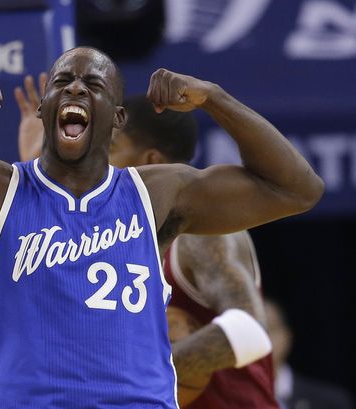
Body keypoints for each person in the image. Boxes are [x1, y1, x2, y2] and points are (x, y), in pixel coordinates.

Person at [0, 46, 324, 407]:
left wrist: (216, 98)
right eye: (62, 81)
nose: (75, 86)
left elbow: (297, 188)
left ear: (117, 118)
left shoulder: (156, 193)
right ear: (45, 106)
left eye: (93, 83)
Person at [16, 80, 279, 408]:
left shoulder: (199, 232)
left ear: (149, 159)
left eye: (109, 148)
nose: (93, 158)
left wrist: (148, 372)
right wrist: (42, 178)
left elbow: (250, 327)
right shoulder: (102, 237)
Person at [265, 299, 354, 409]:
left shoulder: (330, 403)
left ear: (287, 337)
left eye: (269, 330)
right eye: (253, 332)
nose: (262, 339)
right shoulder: (238, 400)